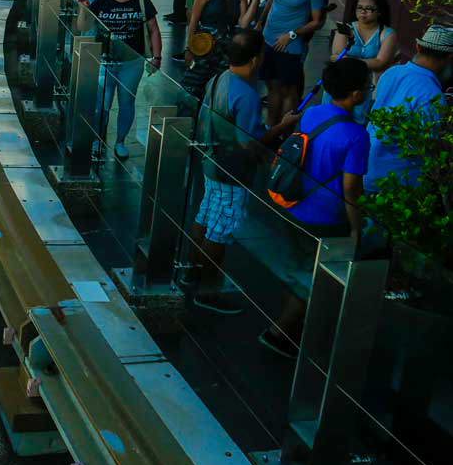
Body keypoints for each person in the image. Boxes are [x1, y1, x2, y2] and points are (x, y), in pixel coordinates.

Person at [259, 58, 370, 358]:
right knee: (311, 276)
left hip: (294, 205)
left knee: (297, 268)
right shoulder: (357, 136)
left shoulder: (313, 113)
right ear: (357, 95)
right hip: (325, 217)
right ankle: (279, 332)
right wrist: (356, 229)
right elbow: (351, 189)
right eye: (367, 87)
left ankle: (292, 328)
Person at [183, 29, 298, 314]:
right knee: (221, 228)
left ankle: (191, 270)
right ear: (256, 59)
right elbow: (250, 142)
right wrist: (283, 127)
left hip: (211, 161)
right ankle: (208, 290)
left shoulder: (218, 78)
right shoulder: (246, 95)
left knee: (206, 214)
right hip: (231, 170)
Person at [363, 24, 453, 192]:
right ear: (450, 57)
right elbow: (428, 148)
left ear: (418, 46)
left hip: (366, 168)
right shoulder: (432, 95)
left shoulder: (391, 72)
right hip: (399, 182)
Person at [89, 0, 162, 160]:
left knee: (127, 102)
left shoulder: (142, 2)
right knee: (102, 103)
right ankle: (97, 138)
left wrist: (157, 56)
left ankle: (120, 141)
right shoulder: (101, 2)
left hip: (132, 61)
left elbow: (154, 29)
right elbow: (83, 26)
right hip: (105, 61)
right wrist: (82, 9)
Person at [258, 0, 327, 127]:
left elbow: (317, 21)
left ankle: (285, 131)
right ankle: (270, 126)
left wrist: (292, 34)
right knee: (272, 86)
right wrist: (260, 22)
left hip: (289, 46)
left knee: (289, 90)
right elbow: (273, 0)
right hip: (268, 39)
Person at [181, 0, 259, 99]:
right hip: (205, 45)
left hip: (226, 48)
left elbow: (243, 23)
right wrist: (188, 48)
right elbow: (194, 20)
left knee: (218, 88)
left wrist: (254, 0)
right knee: (192, 87)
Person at [325, 0, 397, 122]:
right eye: (360, 8)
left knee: (357, 122)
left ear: (380, 12)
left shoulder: (387, 33)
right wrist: (365, 62)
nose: (363, 12)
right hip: (340, 82)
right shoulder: (346, 28)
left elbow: (381, 62)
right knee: (330, 119)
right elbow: (336, 56)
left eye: (369, 9)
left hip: (362, 86)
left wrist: (350, 61)